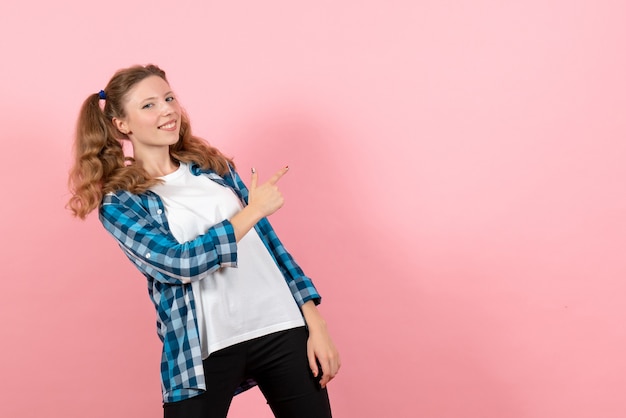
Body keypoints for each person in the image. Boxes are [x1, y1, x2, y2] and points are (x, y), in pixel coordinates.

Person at [67, 64, 340, 418]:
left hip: (280, 326)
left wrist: (315, 323)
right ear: (122, 124)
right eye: (148, 105)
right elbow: (177, 264)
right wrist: (252, 211)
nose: (167, 110)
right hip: (202, 348)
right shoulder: (120, 201)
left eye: (169, 98)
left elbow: (271, 248)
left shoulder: (213, 168)